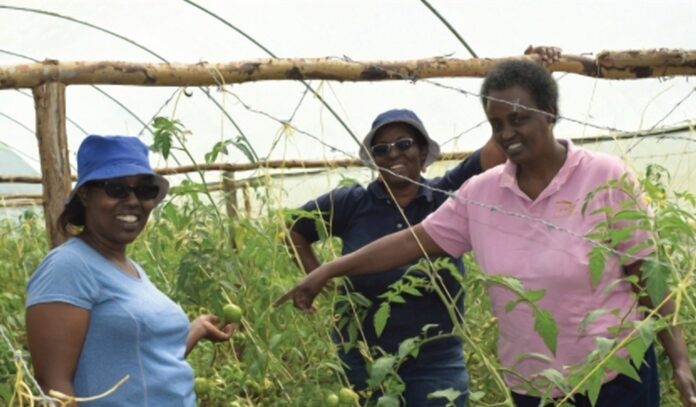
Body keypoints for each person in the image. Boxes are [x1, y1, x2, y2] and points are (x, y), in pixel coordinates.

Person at [276, 60, 696, 407]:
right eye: (497, 123)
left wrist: (678, 358)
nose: (508, 132)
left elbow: (647, 271)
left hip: (615, 374)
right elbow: (411, 241)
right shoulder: (482, 193)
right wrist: (325, 271)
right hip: (531, 384)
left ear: (549, 113)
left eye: (519, 119)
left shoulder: (606, 177)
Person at [286, 106, 506, 406]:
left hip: (435, 357)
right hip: (363, 356)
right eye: (381, 149)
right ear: (374, 160)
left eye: (404, 144)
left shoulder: (445, 196)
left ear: (422, 152)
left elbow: (498, 148)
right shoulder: (351, 202)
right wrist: (319, 277)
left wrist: (526, 78)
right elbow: (293, 229)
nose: (393, 154)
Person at [25, 135, 234, 406]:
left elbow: (143, 357)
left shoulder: (130, 268)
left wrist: (195, 329)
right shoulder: (68, 266)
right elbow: (55, 389)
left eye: (145, 190)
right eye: (117, 189)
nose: (133, 200)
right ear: (86, 194)